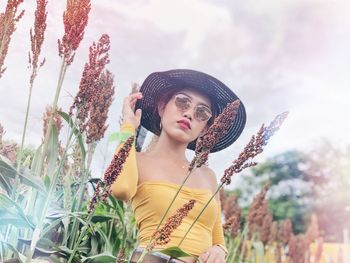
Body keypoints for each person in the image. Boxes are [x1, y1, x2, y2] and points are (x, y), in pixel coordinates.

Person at [110, 69, 246, 263]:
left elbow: (218, 239)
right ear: (162, 106)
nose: (189, 113)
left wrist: (219, 250)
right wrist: (128, 127)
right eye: (182, 101)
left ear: (206, 128)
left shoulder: (208, 176)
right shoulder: (138, 160)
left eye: (202, 112)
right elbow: (120, 189)